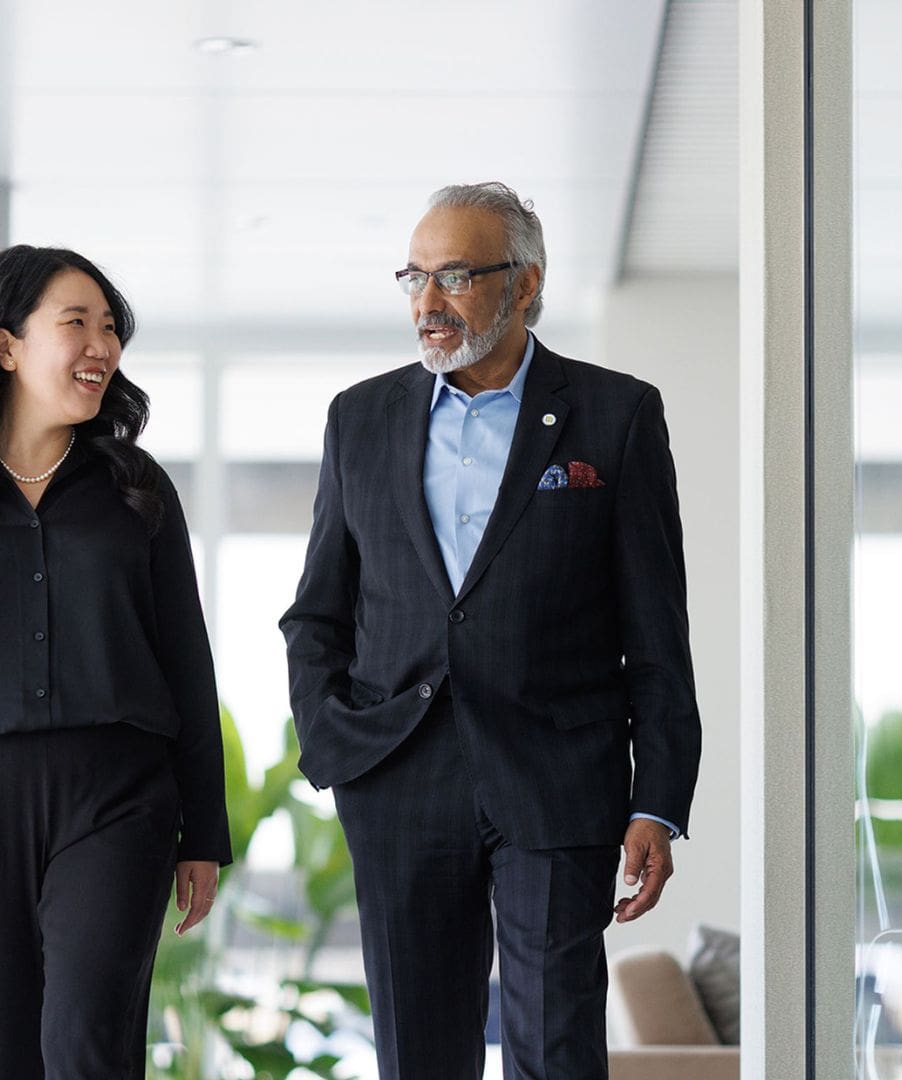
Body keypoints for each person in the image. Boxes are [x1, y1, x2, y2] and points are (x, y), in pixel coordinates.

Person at [279, 181, 703, 1079]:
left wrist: (657, 798)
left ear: (526, 281)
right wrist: (333, 742)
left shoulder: (617, 415)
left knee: (554, 1045)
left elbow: (656, 629)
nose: (428, 304)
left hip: (559, 778)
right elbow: (317, 610)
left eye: (456, 277)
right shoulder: (359, 418)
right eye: (415, 277)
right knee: (418, 1052)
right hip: (397, 779)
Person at [0, 245, 229, 1078]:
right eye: (76, 323)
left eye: (110, 328)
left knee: (86, 1041)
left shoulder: (138, 491)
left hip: (118, 795)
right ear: (8, 345)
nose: (101, 345)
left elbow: (187, 665)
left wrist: (202, 827)